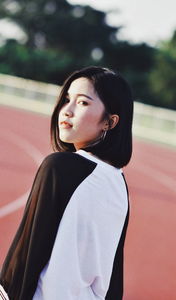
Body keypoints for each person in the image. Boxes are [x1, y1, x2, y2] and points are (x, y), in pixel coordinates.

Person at [0, 66, 134, 300]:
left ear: (109, 122)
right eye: (66, 99)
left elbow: (27, 252)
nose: (67, 110)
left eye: (82, 103)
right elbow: (113, 273)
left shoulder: (61, 168)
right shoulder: (118, 182)